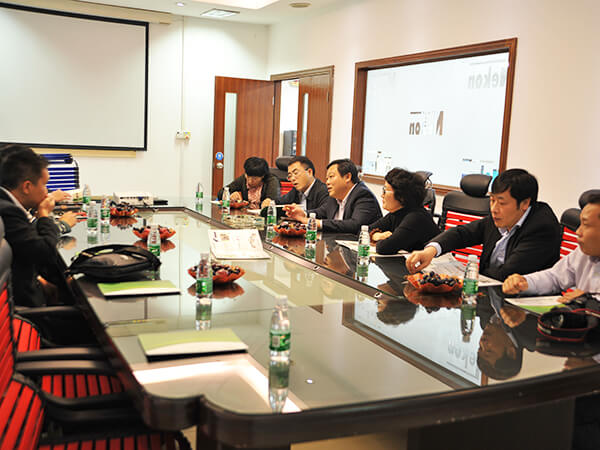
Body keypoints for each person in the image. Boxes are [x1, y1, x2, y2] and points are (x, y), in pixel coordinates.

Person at [406, 169, 561, 281]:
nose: (494, 208)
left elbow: (507, 274)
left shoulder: (541, 228)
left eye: (502, 203)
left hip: (520, 307)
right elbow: (464, 233)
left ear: (525, 203)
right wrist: (431, 250)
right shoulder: (502, 217)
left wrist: (460, 279)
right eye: (492, 200)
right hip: (490, 296)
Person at [502, 193, 600, 300]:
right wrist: (525, 282)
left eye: (586, 224)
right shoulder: (583, 253)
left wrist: (589, 300)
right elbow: (555, 277)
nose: (578, 232)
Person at [0, 145, 62, 307]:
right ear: (27, 186)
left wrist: (38, 280)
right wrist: (44, 214)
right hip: (23, 308)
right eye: (44, 184)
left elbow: (22, 253)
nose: (47, 192)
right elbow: (45, 252)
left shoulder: (6, 203)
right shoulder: (7, 211)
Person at [283, 158, 382, 234]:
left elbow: (355, 225)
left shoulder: (363, 195)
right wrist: (303, 214)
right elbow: (321, 212)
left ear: (347, 177)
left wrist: (318, 223)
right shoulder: (334, 197)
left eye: (331, 177)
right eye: (327, 178)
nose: (327, 182)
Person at [368, 168, 440, 254]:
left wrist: (376, 238)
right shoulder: (397, 213)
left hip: (435, 262)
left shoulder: (416, 217)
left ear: (401, 196)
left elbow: (384, 248)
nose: (382, 195)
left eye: (385, 190)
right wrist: (377, 236)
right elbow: (364, 231)